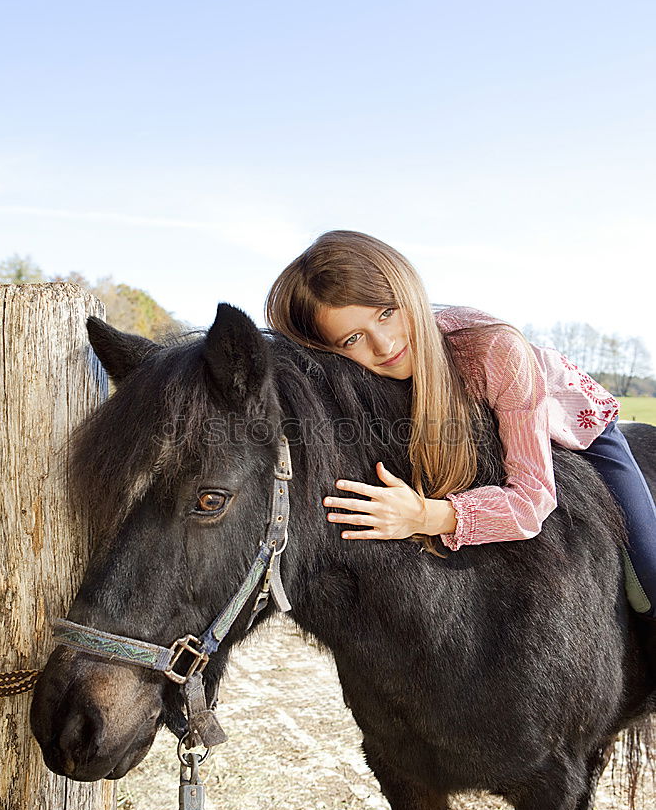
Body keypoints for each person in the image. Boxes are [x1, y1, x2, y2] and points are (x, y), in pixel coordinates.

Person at [265, 229, 656, 619]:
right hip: (480, 422)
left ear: (408, 293)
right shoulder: (361, 375)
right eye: (353, 338)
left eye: (387, 313)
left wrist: (423, 515)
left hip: (577, 427)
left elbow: (531, 502)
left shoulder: (495, 349)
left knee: (650, 572)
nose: (384, 345)